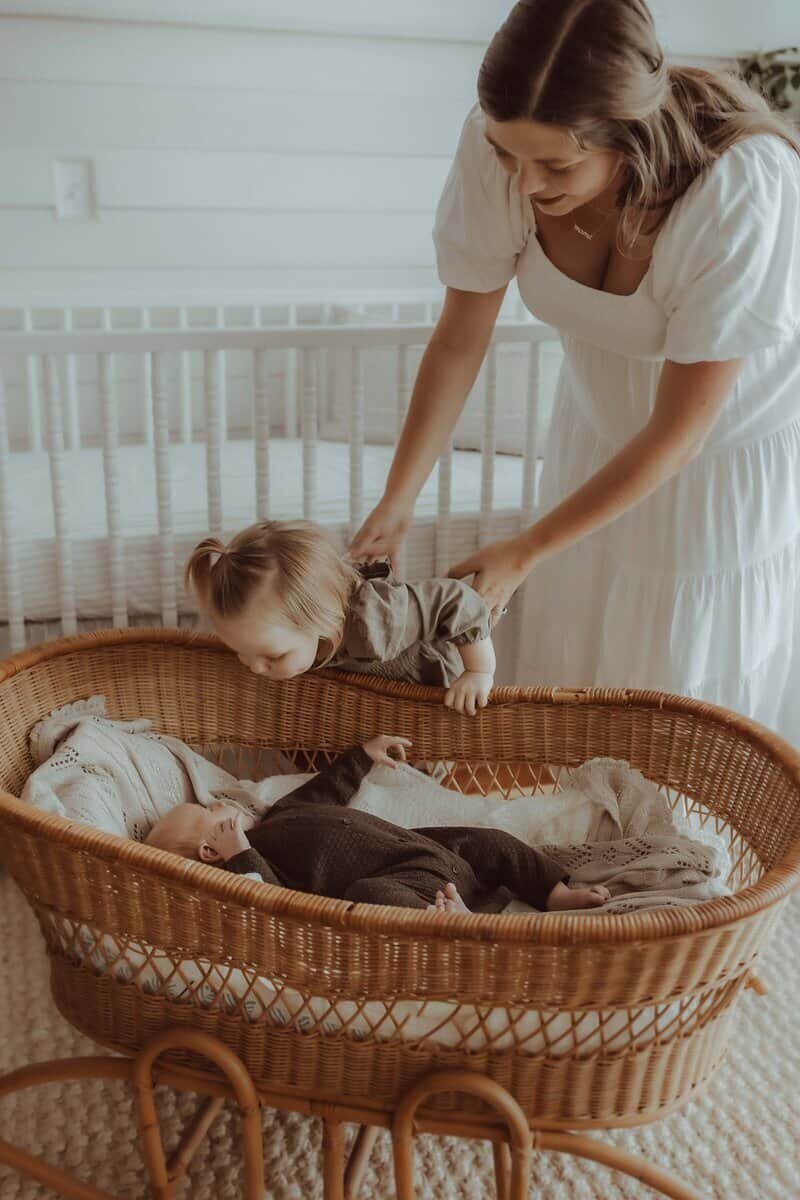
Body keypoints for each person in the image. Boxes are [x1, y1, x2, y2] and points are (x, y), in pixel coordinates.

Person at [349, 0, 800, 743]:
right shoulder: (499, 140)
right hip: (596, 429)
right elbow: (462, 337)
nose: (523, 184)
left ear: (630, 136)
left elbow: (681, 430)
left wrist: (525, 547)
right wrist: (398, 502)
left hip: (718, 454)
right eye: (507, 155)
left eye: (557, 165)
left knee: (674, 680)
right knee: (582, 643)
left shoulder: (739, 183)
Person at [145, 734, 610, 913]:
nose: (217, 803)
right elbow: (269, 901)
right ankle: (459, 926)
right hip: (401, 881)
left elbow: (325, 790)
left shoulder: (279, 815)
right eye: (210, 813)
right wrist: (240, 853)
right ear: (212, 849)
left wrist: (360, 758)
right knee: (370, 900)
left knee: (492, 841)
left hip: (427, 851)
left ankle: (554, 893)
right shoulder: (255, 869)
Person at [184, 519, 498, 715]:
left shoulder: (375, 620)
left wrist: (479, 671)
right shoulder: (296, 634)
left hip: (430, 697)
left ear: (322, 619)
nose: (254, 668)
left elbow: (459, 600)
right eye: (240, 653)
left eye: (271, 656)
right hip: (370, 706)